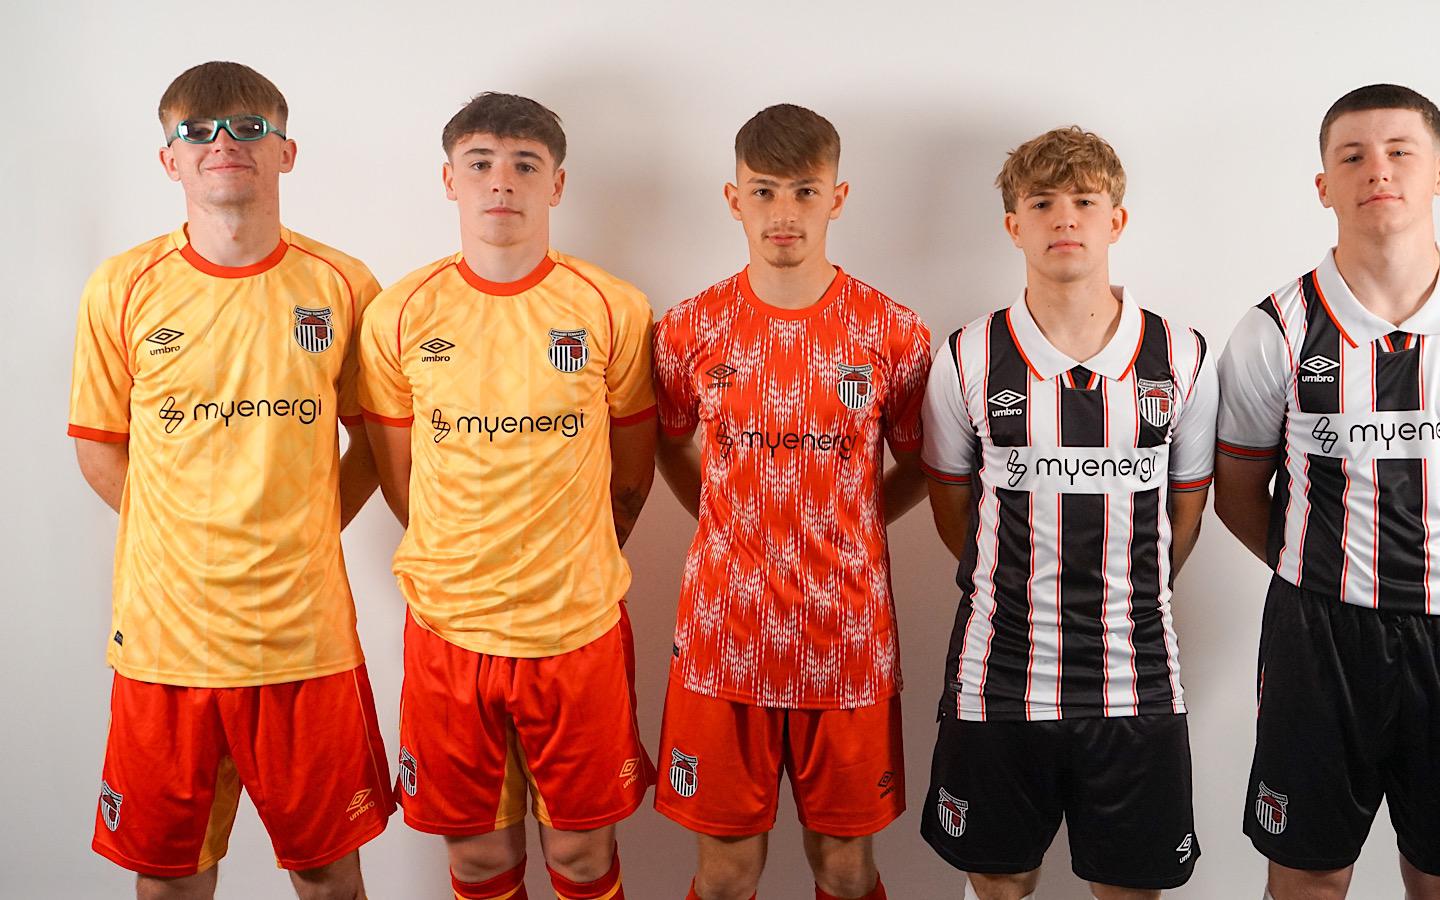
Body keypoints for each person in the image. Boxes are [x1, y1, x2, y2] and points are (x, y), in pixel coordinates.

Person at [1213, 83, 1440, 900]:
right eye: (1353, 155)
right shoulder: (1277, 327)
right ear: (1323, 186)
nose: (1378, 169)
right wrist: (1334, 564)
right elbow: (1237, 492)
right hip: (1318, 637)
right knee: (1307, 876)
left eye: (1400, 151)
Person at [68, 60, 392, 899]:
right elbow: (101, 449)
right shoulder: (122, 286)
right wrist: (186, 535)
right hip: (165, 641)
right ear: (169, 159)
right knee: (171, 881)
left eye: (250, 127)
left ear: (287, 152)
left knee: (328, 876)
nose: (224, 144)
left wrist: (310, 523)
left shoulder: (345, 286)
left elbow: (383, 447)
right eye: (198, 131)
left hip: (304, 638)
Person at [357, 92, 657, 900]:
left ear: (556, 185)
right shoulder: (400, 313)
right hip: (451, 637)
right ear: (449, 180)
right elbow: (399, 475)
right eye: (481, 164)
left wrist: (580, 549)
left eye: (526, 165)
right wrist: (463, 556)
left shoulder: (611, 307)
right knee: (479, 863)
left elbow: (633, 471)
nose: (503, 183)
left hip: (578, 631)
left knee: (584, 860)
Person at [918, 126, 1215, 900]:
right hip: (1000, 674)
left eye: (1085, 201)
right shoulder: (967, 357)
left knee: (1130, 887)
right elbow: (957, 512)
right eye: (1041, 202)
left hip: (1137, 675)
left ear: (1116, 220)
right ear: (1013, 225)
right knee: (1000, 881)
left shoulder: (1181, 355)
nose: (1064, 219)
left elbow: (1184, 513)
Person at [651, 103, 931, 900]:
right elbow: (670, 437)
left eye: (805, 192)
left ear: (837, 199)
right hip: (723, 637)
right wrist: (722, 510)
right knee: (728, 873)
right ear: (733, 198)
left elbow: (924, 462)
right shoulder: (689, 328)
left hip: (845, 640)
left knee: (844, 870)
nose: (784, 213)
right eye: (765, 191)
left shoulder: (893, 331)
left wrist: (854, 517)